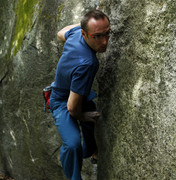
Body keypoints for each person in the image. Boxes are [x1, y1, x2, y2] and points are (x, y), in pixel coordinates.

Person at [50, 9, 111, 180]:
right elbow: (71, 107)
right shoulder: (87, 63)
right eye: (98, 36)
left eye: (107, 33)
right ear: (85, 34)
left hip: (77, 95)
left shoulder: (77, 33)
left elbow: (60, 33)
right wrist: (82, 116)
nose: (105, 41)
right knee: (72, 144)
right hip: (62, 101)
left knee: (90, 121)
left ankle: (91, 151)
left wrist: (82, 25)